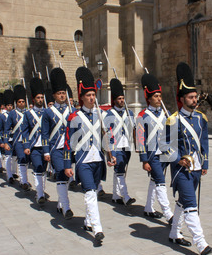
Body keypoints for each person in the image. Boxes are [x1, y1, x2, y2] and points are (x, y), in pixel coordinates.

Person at [160, 62, 212, 255]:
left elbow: (204, 143)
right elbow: (164, 147)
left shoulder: (201, 119)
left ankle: (174, 233)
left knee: (183, 202)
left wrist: (205, 163)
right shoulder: (173, 120)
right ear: (182, 99)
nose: (195, 100)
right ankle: (201, 244)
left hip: (197, 168)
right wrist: (177, 160)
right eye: (191, 97)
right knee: (191, 204)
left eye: (195, 97)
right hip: (181, 170)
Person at [64, 67, 116, 244]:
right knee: (90, 193)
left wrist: (111, 154)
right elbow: (67, 142)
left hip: (98, 160)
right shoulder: (74, 117)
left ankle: (87, 221)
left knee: (92, 191)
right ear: (82, 97)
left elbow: (108, 136)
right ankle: (97, 228)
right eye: (88, 95)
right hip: (83, 160)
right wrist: (67, 165)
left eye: (93, 94)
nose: (92, 98)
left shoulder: (102, 114)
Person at [136, 73, 174, 224]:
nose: (159, 99)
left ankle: (148, 208)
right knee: (160, 181)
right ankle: (168, 213)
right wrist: (144, 160)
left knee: (154, 180)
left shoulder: (166, 113)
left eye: (160, 96)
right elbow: (140, 140)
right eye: (156, 96)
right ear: (149, 98)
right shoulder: (141, 116)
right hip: (152, 154)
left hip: (165, 153)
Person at [42, 68, 75, 219]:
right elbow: (44, 133)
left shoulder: (72, 110)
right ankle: (66, 207)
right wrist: (46, 151)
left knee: (66, 176)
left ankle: (60, 203)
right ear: (54, 95)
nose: (62, 95)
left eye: (64, 93)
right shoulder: (48, 112)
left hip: (69, 149)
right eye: (59, 93)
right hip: (55, 148)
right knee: (61, 174)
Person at [105, 78, 136, 206]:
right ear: (114, 100)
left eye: (123, 98)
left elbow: (134, 129)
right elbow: (107, 134)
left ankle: (115, 195)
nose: (122, 100)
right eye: (119, 99)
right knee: (119, 170)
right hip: (115, 146)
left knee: (120, 170)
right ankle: (126, 196)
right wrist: (110, 152)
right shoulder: (109, 114)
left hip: (126, 145)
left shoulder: (130, 113)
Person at [22, 78, 48, 206]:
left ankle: (41, 190)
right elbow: (25, 130)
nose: (40, 100)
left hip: (45, 146)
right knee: (37, 167)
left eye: (42, 97)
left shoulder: (47, 112)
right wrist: (26, 145)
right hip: (34, 146)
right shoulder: (28, 114)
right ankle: (40, 194)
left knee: (43, 169)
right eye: (38, 97)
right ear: (33, 99)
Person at [4, 85, 31, 190]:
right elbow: (6, 129)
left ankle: (24, 179)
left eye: (23, 102)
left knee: (27, 161)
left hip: (28, 141)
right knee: (22, 159)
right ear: (16, 103)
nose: (21, 103)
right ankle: (23, 181)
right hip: (18, 141)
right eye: (19, 102)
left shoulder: (29, 113)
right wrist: (6, 142)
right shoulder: (12, 114)